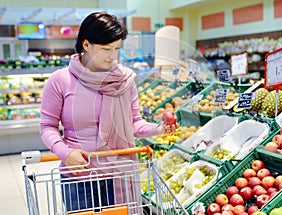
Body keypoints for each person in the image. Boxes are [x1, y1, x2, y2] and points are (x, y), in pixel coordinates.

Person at [39, 12, 178, 213]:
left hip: (119, 174)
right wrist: (66, 154)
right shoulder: (60, 80)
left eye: (117, 49)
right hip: (79, 180)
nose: (113, 56)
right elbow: (47, 127)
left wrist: (159, 129)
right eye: (106, 49)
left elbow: (134, 124)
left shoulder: (124, 81)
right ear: (86, 45)